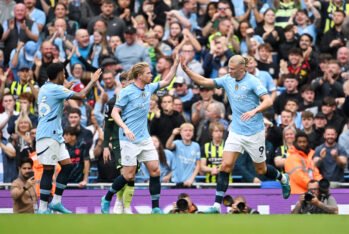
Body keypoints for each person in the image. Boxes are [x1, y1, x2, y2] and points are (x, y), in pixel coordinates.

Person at [181, 55, 291, 213]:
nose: (229, 71)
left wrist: (255, 110)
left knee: (261, 169)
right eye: (228, 68)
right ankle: (216, 206)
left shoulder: (253, 81)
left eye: (232, 69)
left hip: (254, 132)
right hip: (236, 131)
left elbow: (268, 101)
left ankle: (282, 178)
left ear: (242, 68)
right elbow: (205, 81)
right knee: (225, 166)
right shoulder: (227, 79)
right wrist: (187, 70)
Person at [100, 56, 180, 214]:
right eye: (149, 73)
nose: (151, 75)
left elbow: (167, 80)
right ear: (140, 76)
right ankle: (107, 197)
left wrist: (176, 63)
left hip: (144, 139)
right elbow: (115, 113)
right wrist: (125, 128)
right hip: (128, 140)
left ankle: (155, 207)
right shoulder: (127, 92)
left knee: (155, 170)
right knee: (128, 175)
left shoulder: (149, 88)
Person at [36, 62, 102, 214]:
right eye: (63, 74)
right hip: (47, 135)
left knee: (67, 166)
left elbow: (56, 98)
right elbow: (82, 95)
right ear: (58, 74)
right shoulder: (55, 88)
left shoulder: (46, 87)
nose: (65, 76)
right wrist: (93, 80)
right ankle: (43, 208)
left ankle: (56, 202)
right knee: (48, 170)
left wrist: (66, 87)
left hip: (55, 136)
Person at [166, 123, 200, 187]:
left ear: (193, 133)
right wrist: (173, 134)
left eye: (190, 130)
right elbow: (168, 146)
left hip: (189, 182)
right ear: (181, 133)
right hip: (176, 182)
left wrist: (191, 179)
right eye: (185, 130)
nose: (188, 132)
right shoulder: (177, 143)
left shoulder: (196, 146)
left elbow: (198, 165)